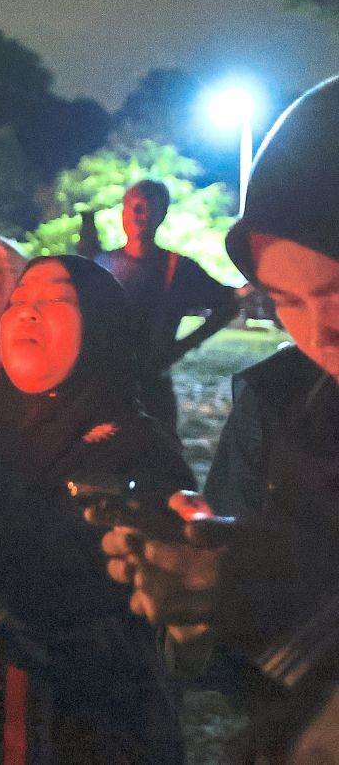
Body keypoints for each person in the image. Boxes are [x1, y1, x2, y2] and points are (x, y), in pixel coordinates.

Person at [100, 75, 339, 764]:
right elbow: (242, 675)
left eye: (336, 288)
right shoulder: (283, 406)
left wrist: (290, 605)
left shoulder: (177, 271)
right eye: (290, 299)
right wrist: (197, 607)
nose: (320, 332)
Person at [0, 256, 192, 764]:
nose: (27, 311)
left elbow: (65, 590)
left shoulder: (137, 449)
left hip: (76, 730)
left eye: (56, 300)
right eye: (19, 300)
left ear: (102, 328)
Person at [96, 180, 243, 435]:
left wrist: (183, 347)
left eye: (144, 206)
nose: (135, 213)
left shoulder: (178, 269)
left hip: (153, 388)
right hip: (104, 387)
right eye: (129, 206)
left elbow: (228, 304)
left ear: (161, 213)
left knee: (160, 460)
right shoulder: (103, 263)